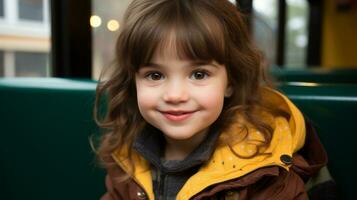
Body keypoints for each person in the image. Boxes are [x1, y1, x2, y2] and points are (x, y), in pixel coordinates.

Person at [93, 0, 336, 199]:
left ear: (230, 81)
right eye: (155, 75)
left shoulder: (265, 168)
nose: (175, 95)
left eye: (199, 74)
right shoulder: (127, 155)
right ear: (133, 82)